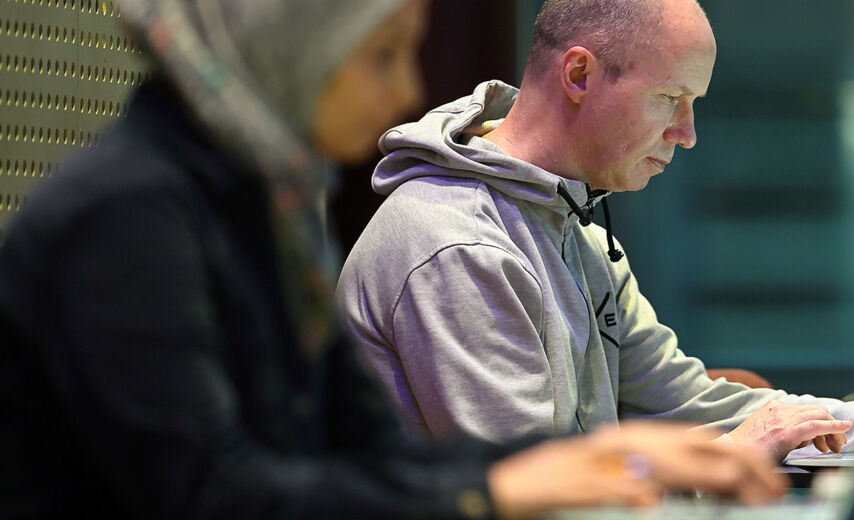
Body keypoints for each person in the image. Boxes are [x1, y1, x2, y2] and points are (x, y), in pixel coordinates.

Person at [0, 0, 787, 518]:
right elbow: (212, 494)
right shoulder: (128, 214)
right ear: (289, 43)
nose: (407, 88)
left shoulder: (261, 205)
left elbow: (368, 449)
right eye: (383, 55)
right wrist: (505, 486)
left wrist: (613, 458)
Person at [337, 0, 854, 462]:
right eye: (671, 98)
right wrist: (729, 463)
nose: (688, 134)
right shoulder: (459, 248)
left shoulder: (572, 225)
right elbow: (534, 492)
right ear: (579, 73)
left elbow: (704, 406)